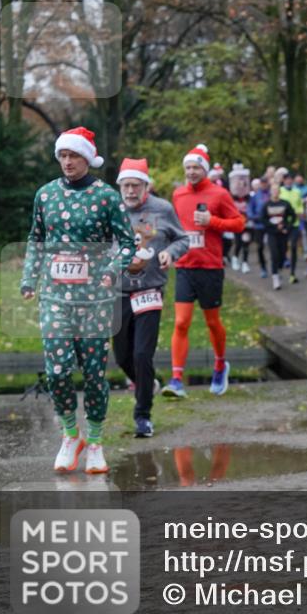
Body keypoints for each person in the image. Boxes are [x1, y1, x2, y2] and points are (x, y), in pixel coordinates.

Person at [21, 126, 136, 473]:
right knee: (57, 371)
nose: (67, 162)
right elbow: (35, 239)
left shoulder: (106, 196)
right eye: (62, 156)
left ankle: (96, 441)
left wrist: (112, 270)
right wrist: (29, 278)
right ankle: (71, 435)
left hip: (95, 299)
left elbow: (128, 244)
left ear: (87, 158)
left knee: (93, 373)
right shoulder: (45, 195)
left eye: (73, 156)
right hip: (55, 295)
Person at [113, 158, 189, 437]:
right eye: (126, 186)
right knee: (122, 356)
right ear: (119, 186)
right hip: (118, 291)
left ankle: (142, 415)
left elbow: (183, 239)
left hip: (150, 290)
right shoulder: (113, 208)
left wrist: (171, 252)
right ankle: (148, 384)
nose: (130, 191)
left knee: (142, 354)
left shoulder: (162, 209)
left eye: (136, 185)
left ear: (146, 186)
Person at [163, 143, 245, 399]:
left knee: (212, 322)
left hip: (210, 266)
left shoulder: (219, 194)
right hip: (185, 266)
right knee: (181, 322)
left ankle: (220, 365)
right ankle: (176, 379)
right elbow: (174, 226)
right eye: (188, 167)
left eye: (196, 167)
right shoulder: (178, 195)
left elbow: (240, 224)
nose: (191, 171)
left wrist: (213, 222)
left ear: (205, 170)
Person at [263, 178, 296, 290]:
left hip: (283, 234)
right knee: (274, 255)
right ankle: (275, 277)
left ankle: (279, 269)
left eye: (277, 190)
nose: (275, 192)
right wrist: (273, 227)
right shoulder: (266, 205)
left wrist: (287, 227)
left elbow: (293, 216)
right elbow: (262, 219)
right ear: (271, 192)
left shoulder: (285, 203)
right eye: (273, 190)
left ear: (280, 192)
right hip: (272, 234)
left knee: (282, 255)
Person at [275, 167, 304, 284]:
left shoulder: (297, 191)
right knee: (281, 248)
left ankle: (292, 273)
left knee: (293, 247)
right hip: (283, 223)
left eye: (290, 179)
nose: (289, 181)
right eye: (286, 179)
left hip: (295, 223)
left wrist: (301, 211)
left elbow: (300, 205)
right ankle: (279, 270)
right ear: (283, 180)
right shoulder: (280, 191)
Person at [228, 163, 252, 274]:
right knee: (238, 242)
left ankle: (245, 262)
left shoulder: (249, 198)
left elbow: (252, 210)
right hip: (237, 223)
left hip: (247, 223)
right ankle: (235, 258)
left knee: (246, 241)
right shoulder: (231, 199)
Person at [247, 176, 270, 278]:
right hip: (259, 225)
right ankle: (263, 268)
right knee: (260, 247)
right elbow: (249, 211)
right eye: (262, 183)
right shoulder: (255, 196)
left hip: (270, 225)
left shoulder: (271, 194)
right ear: (260, 184)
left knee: (274, 247)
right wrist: (255, 217)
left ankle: (276, 269)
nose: (264, 185)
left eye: (265, 183)